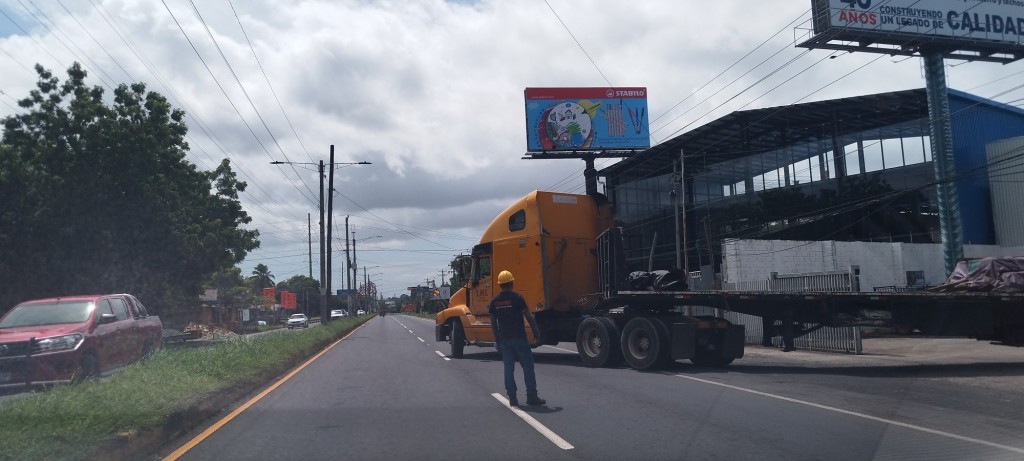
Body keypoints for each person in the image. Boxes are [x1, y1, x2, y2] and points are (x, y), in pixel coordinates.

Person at [489, 270, 546, 407]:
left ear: (500, 285)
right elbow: (529, 316)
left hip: (504, 339)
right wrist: (537, 333)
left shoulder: (494, 301)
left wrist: (497, 340)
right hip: (519, 338)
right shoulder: (518, 298)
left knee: (508, 368)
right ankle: (531, 396)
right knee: (527, 366)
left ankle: (512, 397)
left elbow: (493, 324)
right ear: (512, 283)